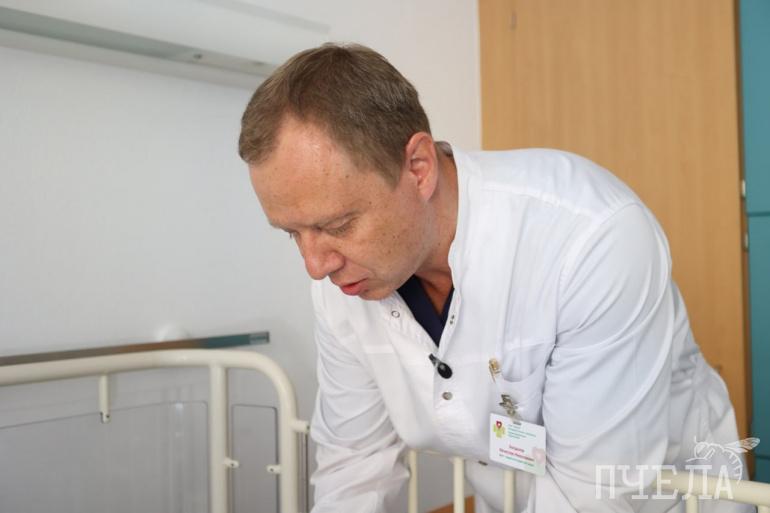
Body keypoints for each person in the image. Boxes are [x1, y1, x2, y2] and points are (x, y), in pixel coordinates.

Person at [238, 43, 750, 513]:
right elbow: (354, 466)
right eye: (292, 233)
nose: (315, 265)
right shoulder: (344, 280)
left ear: (418, 168)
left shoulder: (590, 238)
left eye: (337, 225)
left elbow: (594, 497)